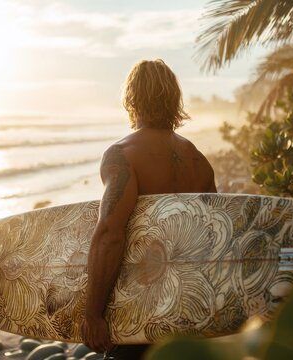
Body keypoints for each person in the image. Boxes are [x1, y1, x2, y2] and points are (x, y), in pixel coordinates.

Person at [80, 59, 217, 360]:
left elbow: (110, 235)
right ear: (173, 100)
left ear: (131, 99)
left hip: (139, 311)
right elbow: (212, 240)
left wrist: (93, 314)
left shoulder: (122, 156)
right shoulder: (199, 160)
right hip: (190, 312)